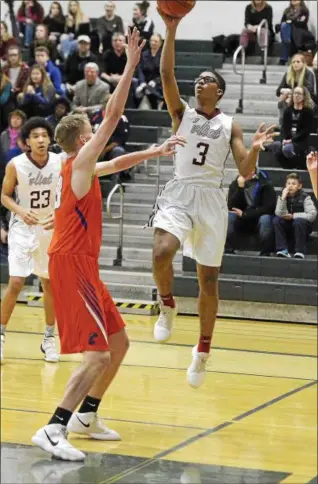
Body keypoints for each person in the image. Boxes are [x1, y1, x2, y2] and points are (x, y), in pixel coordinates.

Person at [31, 28, 185, 461]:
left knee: (118, 344)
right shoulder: (78, 161)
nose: (95, 130)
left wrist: (154, 152)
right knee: (97, 355)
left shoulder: (79, 167)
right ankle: (54, 426)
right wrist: (132, 66)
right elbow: (114, 116)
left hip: (83, 264)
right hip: (71, 264)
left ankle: (86, 416)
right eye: (90, 129)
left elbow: (115, 161)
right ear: (83, 140)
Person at [149, 9, 277, 389]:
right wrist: (171, 31)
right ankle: (167, 303)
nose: (199, 80)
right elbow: (166, 75)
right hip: (179, 190)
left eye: (206, 79)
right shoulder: (182, 113)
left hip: (210, 200)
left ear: (217, 91)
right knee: (161, 252)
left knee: (208, 281)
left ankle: (203, 350)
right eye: (199, 77)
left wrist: (254, 148)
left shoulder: (230, 124)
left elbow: (245, 170)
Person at [0, 118, 62, 364]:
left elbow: (69, 193)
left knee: (49, 284)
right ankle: (1, 335)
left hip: (48, 227)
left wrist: (59, 214)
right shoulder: (15, 165)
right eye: (35, 136)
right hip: (22, 227)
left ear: (50, 139)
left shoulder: (60, 161)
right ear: (26, 142)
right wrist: (20, 210)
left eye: (44, 135)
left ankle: (48, 339)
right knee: (16, 282)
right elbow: (4, 196)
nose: (40, 140)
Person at [225, 170, 276, 255]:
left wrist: (245, 214)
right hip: (241, 219)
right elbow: (231, 206)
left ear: (254, 171)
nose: (247, 172)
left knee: (266, 219)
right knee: (229, 216)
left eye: (250, 169)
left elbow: (268, 208)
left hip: (257, 218)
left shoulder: (265, 184)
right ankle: (228, 250)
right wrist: (240, 188)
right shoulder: (235, 184)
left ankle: (265, 253)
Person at [268, 86, 314, 169]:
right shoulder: (288, 110)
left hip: (300, 141)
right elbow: (284, 128)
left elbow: (306, 131)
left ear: (304, 96)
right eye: (295, 93)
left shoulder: (308, 112)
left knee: (287, 149)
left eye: (299, 94)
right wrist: (284, 140)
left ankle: (299, 164)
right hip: (288, 140)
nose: (296, 95)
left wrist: (292, 140)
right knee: (275, 146)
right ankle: (289, 166)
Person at [273, 172, 317, 258]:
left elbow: (312, 214)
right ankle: (282, 249)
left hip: (302, 226)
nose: (290, 186)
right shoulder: (282, 196)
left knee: (298, 221)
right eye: (288, 183)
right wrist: (283, 198)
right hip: (288, 224)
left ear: (299, 186)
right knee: (276, 220)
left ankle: (300, 251)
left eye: (293, 184)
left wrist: (294, 216)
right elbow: (278, 213)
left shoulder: (305, 197)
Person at [101, 32, 137, 108]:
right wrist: (111, 79)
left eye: (120, 40)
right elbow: (102, 72)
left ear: (124, 42)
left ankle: (129, 109)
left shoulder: (129, 54)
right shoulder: (107, 54)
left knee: (131, 83)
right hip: (110, 81)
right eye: (115, 40)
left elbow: (133, 71)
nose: (117, 42)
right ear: (111, 42)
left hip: (125, 80)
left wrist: (120, 79)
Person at [278, 0, 313, 65]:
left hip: (300, 32)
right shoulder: (287, 10)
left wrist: (289, 23)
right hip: (288, 33)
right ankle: (287, 41)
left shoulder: (304, 10)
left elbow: (301, 24)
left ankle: (283, 59)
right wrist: (288, 23)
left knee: (286, 28)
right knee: (285, 26)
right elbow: (282, 22)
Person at [136, 33, 163, 109]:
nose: (153, 43)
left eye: (156, 41)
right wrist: (142, 82)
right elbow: (140, 69)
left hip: (158, 83)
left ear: (160, 43)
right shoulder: (144, 54)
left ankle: (158, 104)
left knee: (151, 91)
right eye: (152, 41)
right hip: (145, 82)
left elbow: (164, 73)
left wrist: (155, 81)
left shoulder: (164, 55)